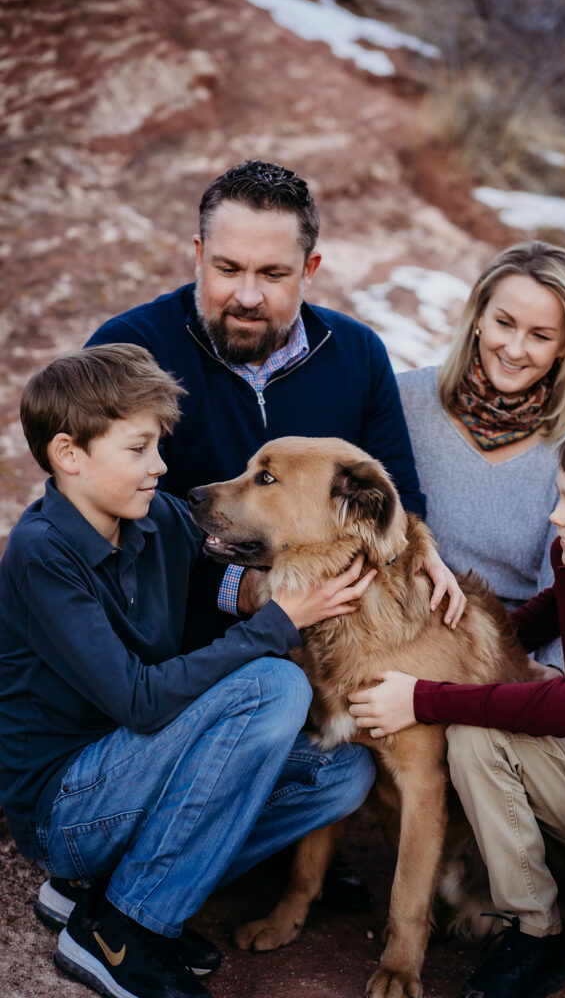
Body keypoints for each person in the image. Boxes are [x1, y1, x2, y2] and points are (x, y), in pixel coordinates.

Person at [0, 344, 378, 998]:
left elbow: (224, 580)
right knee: (275, 683)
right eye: (140, 449)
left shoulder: (156, 521)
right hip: (66, 805)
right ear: (69, 455)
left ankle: (111, 889)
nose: (161, 466)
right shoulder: (42, 554)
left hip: (138, 776)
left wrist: (293, 591)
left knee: (342, 774)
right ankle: (122, 928)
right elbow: (140, 702)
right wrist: (280, 622)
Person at [348, 415, 565, 998]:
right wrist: (456, 628)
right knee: (474, 736)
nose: (556, 517)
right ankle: (535, 933)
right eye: (560, 497)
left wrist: (421, 696)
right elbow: (538, 618)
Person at [86, 159, 464, 636]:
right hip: (162, 641)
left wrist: (415, 548)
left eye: (272, 274)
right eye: (227, 269)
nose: (247, 295)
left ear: (310, 269)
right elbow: (98, 522)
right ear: (198, 255)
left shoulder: (359, 353)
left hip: (327, 633)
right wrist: (243, 592)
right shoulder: (128, 351)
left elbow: (398, 499)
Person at [397, 239, 565, 668]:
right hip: (398, 631)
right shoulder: (404, 400)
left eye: (540, 336)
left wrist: (548, 686)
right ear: (478, 319)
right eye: (504, 323)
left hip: (510, 655)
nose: (513, 349)